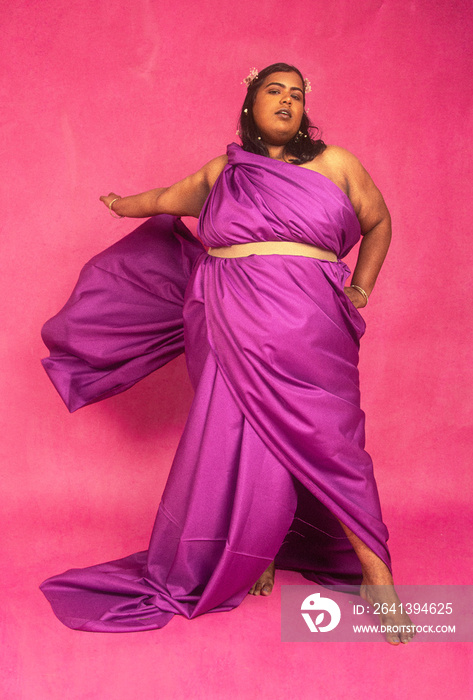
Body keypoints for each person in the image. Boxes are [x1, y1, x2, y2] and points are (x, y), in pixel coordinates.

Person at [40, 63, 414, 644]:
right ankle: (256, 552)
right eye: (274, 91)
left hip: (310, 322)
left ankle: (376, 574)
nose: (287, 101)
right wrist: (123, 204)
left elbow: (380, 221)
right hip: (232, 318)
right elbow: (168, 197)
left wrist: (361, 286)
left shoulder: (336, 164)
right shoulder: (227, 171)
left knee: (332, 440)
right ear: (251, 104)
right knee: (251, 439)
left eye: (296, 94)